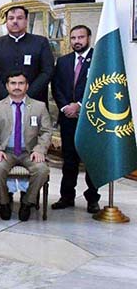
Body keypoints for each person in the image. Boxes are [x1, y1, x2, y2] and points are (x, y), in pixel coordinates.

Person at [0, 72, 51, 221]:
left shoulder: (39, 107)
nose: (17, 87)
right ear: (7, 86)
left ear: (27, 86)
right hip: (5, 152)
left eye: (21, 83)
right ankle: (4, 202)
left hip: (30, 152)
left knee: (41, 170)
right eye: (13, 83)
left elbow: (46, 131)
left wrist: (40, 149)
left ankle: (27, 202)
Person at [50, 25, 100, 213]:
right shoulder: (63, 61)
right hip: (68, 119)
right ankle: (66, 196)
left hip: (90, 118)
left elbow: (99, 88)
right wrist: (65, 107)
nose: (77, 41)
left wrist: (79, 105)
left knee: (91, 160)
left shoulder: (98, 60)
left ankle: (92, 199)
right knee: (69, 159)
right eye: (73, 38)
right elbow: (56, 87)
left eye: (81, 37)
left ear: (89, 38)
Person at [0, 6, 54, 104]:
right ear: (6, 21)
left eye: (19, 18)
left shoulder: (40, 42)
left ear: (26, 21)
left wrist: (27, 94)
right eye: (11, 18)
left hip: (34, 100)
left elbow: (47, 71)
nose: (15, 21)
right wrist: (7, 95)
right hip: (1, 100)